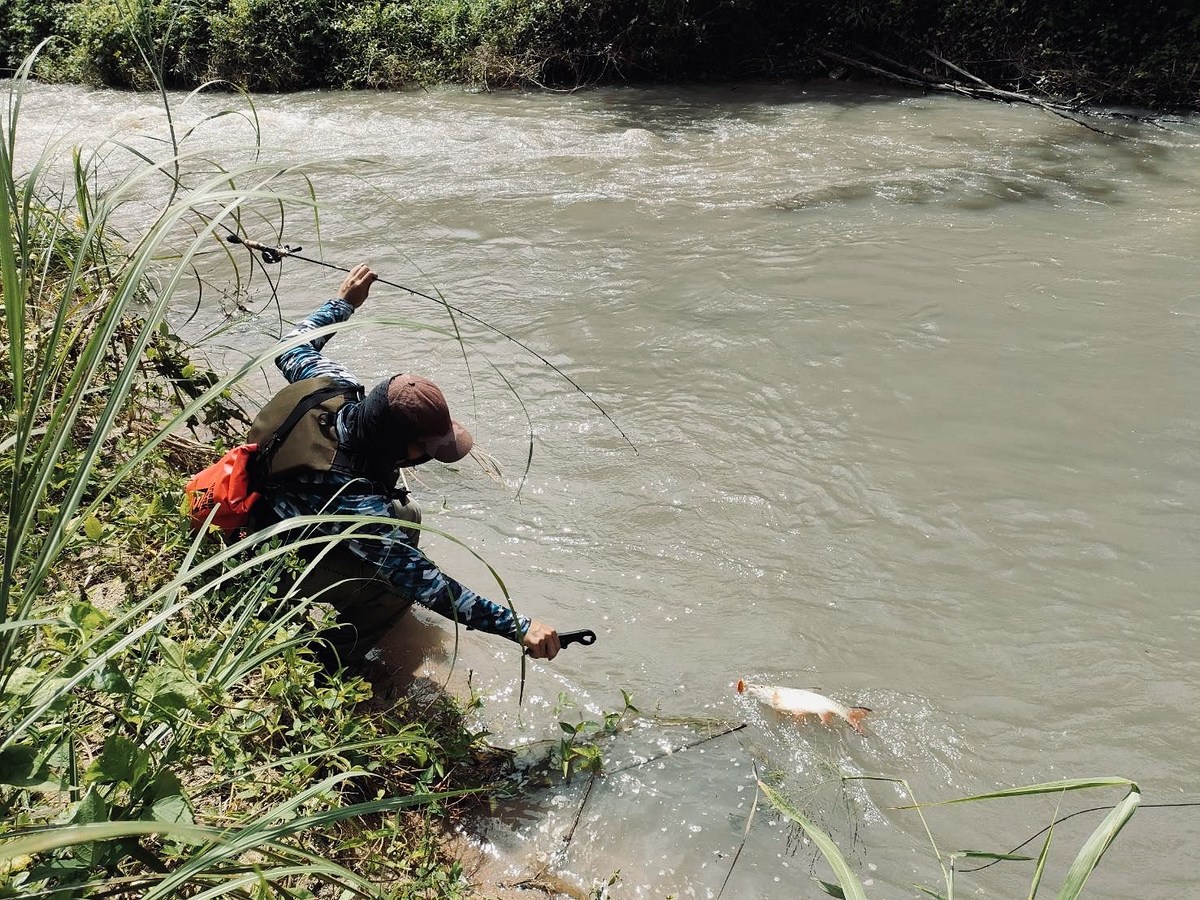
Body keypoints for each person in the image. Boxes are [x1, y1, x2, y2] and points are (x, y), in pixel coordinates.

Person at [249, 263, 560, 672]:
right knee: (397, 588)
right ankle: (332, 663)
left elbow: (291, 344)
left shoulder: (335, 387)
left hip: (276, 501)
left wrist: (343, 303)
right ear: (399, 447)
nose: (431, 457)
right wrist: (519, 626)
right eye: (427, 450)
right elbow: (431, 588)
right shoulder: (354, 498)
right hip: (268, 552)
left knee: (408, 516)